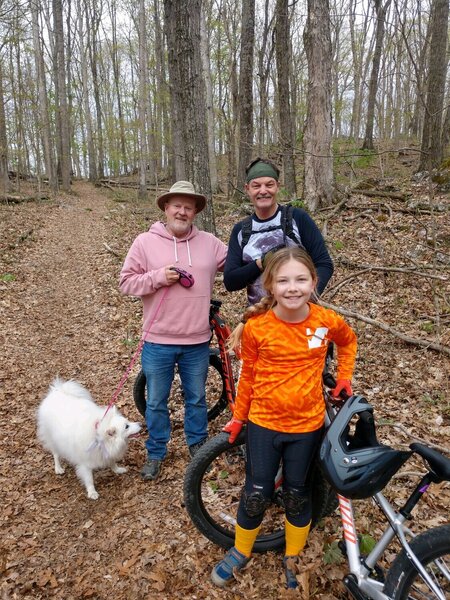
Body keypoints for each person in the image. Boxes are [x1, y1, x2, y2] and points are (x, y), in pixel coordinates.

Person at [211, 246, 357, 589]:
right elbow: (246, 379)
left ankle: (292, 555)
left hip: (307, 427)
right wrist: (238, 418)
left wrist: (345, 376)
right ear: (270, 286)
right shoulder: (258, 327)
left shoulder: (325, 320)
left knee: (297, 494)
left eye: (301, 279)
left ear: (314, 281)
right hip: (264, 424)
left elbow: (348, 341)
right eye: (284, 280)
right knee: (256, 493)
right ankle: (240, 550)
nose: (293, 287)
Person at [119, 181, 227, 481]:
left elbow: (236, 264)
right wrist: (156, 277)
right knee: (155, 401)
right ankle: (156, 451)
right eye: (176, 205)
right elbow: (126, 282)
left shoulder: (210, 243)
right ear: (166, 208)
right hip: (158, 341)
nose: (182, 211)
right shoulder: (144, 242)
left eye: (188, 207)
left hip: (197, 341)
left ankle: (198, 447)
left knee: (196, 399)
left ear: (195, 212)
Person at [224, 157, 334, 305]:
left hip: (300, 317)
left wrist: (307, 299)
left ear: (277, 186)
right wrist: (260, 264)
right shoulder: (241, 231)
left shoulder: (297, 218)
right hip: (261, 320)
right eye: (256, 186)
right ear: (247, 189)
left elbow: (324, 263)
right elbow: (231, 282)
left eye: (269, 185)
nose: (263, 191)